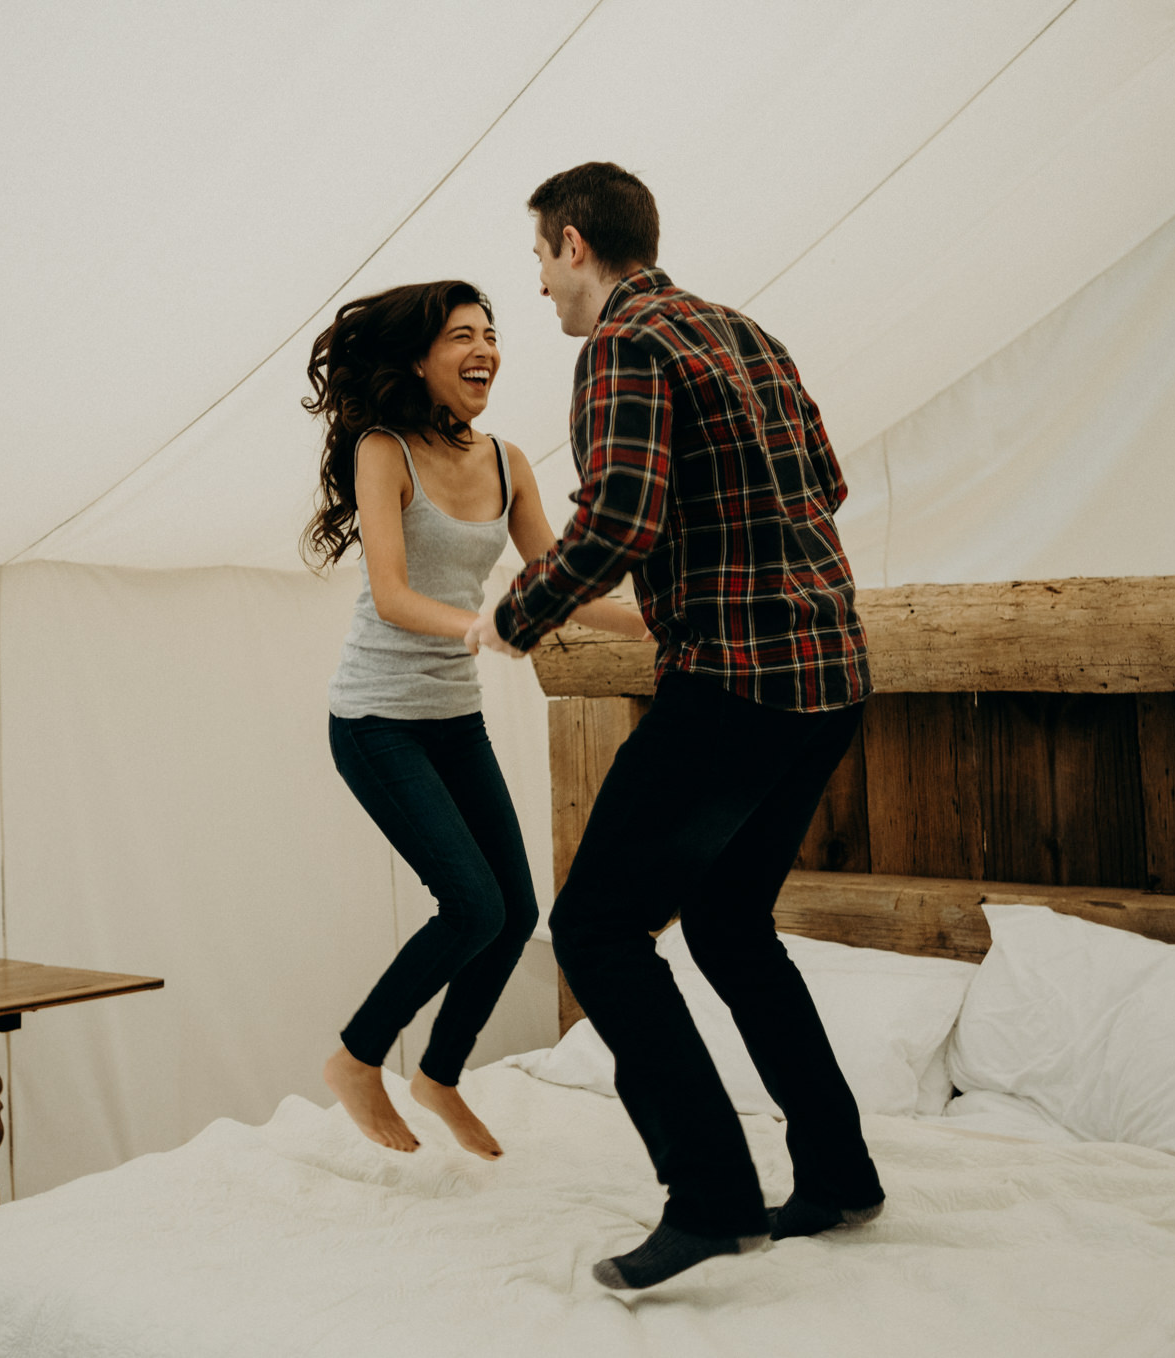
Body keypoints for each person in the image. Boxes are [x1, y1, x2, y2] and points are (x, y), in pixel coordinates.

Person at [465, 163, 884, 1288]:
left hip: (737, 681)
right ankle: (839, 1172)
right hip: (831, 676)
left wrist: (517, 617)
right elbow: (825, 488)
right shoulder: (748, 332)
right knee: (730, 926)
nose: (543, 295)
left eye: (541, 268)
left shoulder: (622, 346)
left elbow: (618, 523)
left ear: (570, 243)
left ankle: (710, 1195)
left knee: (598, 928)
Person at [303, 279, 648, 1161]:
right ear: (419, 359)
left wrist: (661, 621)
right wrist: (479, 626)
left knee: (515, 907)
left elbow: (556, 582)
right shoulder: (384, 451)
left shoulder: (508, 460)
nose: (483, 348)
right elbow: (390, 593)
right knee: (470, 905)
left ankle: (439, 1075)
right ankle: (356, 1058)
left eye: (490, 332)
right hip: (377, 719)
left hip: (453, 719)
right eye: (461, 334)